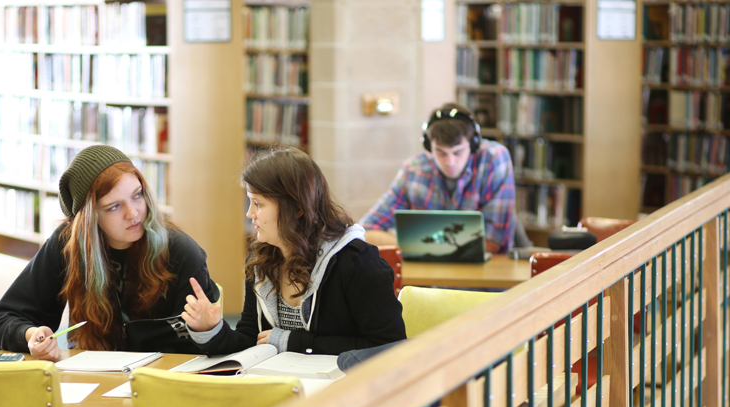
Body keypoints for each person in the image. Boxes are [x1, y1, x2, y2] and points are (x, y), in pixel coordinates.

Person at [0, 144, 218, 407]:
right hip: (94, 396)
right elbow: (3, 320)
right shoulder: (68, 246)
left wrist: (209, 328)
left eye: (137, 195)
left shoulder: (179, 251)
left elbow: (215, 352)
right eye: (113, 207)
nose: (134, 213)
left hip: (164, 398)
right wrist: (31, 336)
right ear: (88, 217)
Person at [180, 147, 406, 355]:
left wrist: (293, 342)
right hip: (284, 387)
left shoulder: (357, 262)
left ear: (297, 208)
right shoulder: (260, 260)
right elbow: (251, 339)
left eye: (258, 204)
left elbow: (387, 348)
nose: (250, 214)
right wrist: (211, 329)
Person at [359, 103, 517, 254]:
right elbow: (366, 230)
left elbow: (493, 242)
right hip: (430, 274)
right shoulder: (414, 170)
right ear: (429, 147)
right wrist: (421, 247)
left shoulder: (494, 159)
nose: (450, 162)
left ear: (473, 144)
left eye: (458, 152)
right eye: (441, 153)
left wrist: (417, 244)